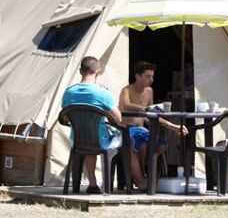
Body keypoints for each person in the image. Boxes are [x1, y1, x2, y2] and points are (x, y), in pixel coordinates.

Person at [119, 60, 188, 190]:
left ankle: (143, 176)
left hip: (142, 129)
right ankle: (142, 180)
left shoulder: (149, 91)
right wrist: (144, 109)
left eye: (152, 76)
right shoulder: (127, 90)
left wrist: (172, 126)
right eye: (147, 76)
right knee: (140, 145)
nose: (151, 80)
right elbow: (126, 105)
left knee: (160, 144)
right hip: (128, 129)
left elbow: (150, 116)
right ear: (137, 76)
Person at [62, 55, 123, 194]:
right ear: (98, 72)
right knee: (127, 139)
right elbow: (119, 118)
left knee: (91, 144)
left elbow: (65, 117)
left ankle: (93, 183)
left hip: (78, 140)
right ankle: (125, 183)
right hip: (101, 142)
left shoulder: (69, 92)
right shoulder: (102, 93)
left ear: (80, 71)